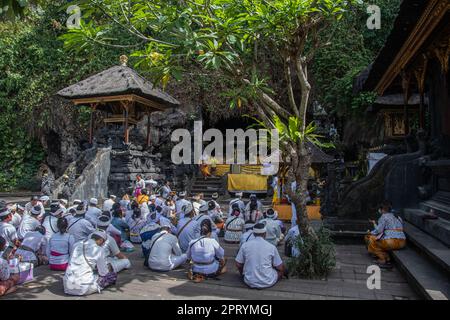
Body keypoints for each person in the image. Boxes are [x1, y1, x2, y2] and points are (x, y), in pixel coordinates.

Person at [63, 230, 117, 296]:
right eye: (103, 242)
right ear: (100, 240)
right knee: (111, 276)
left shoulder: (76, 245)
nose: (103, 244)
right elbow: (103, 273)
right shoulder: (99, 250)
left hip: (67, 286)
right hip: (83, 288)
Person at [235, 223, 285, 289]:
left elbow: (238, 264)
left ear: (253, 233)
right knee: (281, 270)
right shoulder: (271, 247)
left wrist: (242, 273)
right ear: (265, 234)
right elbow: (280, 267)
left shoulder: (245, 245)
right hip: (267, 282)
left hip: (249, 281)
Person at [365, 200, 406, 268]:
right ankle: (386, 257)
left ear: (382, 210)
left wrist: (370, 232)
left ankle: (382, 258)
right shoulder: (398, 217)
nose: (379, 210)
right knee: (378, 239)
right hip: (402, 242)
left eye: (380, 209)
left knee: (370, 238)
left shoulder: (384, 217)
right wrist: (374, 223)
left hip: (391, 242)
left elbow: (378, 230)